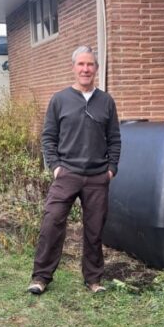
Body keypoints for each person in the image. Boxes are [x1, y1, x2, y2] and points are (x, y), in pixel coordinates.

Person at [28, 46, 121, 295]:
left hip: (97, 177)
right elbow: (48, 137)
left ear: (96, 69)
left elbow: (114, 139)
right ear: (73, 67)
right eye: (81, 64)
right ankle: (41, 277)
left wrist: (111, 169)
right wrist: (56, 167)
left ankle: (93, 279)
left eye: (90, 64)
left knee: (94, 230)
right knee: (51, 222)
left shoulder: (106, 102)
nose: (85, 69)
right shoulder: (60, 100)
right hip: (67, 173)